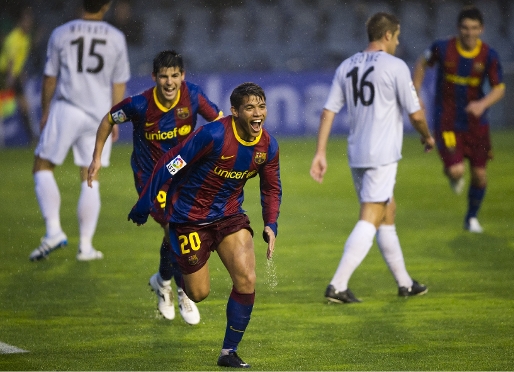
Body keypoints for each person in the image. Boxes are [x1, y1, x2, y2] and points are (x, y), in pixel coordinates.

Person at [128, 82, 281, 368]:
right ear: (234, 112)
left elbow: (271, 188)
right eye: (250, 107)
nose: (258, 113)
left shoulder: (267, 146)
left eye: (261, 106)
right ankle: (167, 263)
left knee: (247, 280)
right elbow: (171, 162)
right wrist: (146, 201)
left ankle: (228, 352)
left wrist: (271, 223)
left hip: (229, 216)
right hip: (189, 219)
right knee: (198, 294)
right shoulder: (213, 135)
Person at [87, 50, 223, 325]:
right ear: (154, 77)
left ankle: (162, 280)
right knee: (174, 228)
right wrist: (97, 158)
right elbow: (108, 119)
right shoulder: (140, 104)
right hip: (152, 179)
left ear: (183, 76)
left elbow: (219, 122)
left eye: (175, 76)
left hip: (185, 176)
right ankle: (184, 290)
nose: (170, 82)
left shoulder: (193, 96)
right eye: (164, 76)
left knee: (180, 231)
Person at [310, 12, 435, 303]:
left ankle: (404, 283)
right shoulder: (395, 66)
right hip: (382, 154)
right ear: (388, 35)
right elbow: (415, 114)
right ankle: (338, 286)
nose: (398, 42)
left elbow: (328, 111)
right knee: (371, 215)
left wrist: (320, 152)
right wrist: (427, 136)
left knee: (386, 211)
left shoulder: (346, 65)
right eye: (398, 36)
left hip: (357, 153)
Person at [29, 0, 130, 262]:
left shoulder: (62, 33)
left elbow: (50, 77)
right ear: (106, 6)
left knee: (42, 165)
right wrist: (114, 120)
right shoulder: (116, 38)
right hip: (99, 116)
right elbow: (118, 83)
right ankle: (85, 246)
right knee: (91, 175)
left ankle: (53, 230)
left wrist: (45, 110)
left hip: (68, 107)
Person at [413, 5, 505, 234]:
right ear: (458, 28)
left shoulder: (488, 55)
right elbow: (422, 63)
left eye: (474, 28)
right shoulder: (443, 48)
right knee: (456, 171)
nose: (469, 32)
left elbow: (499, 88)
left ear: (481, 29)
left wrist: (482, 104)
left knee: (480, 175)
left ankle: (471, 218)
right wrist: (415, 92)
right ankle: (453, 173)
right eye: (465, 27)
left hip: (477, 126)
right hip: (448, 123)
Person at [0, 6, 37, 144]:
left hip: (13, 75)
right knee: (4, 108)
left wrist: (20, 73)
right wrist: (10, 77)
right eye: (26, 20)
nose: (29, 23)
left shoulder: (25, 38)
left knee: (24, 106)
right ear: (20, 22)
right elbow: (10, 60)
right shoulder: (13, 38)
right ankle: (3, 141)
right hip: (4, 75)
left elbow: (19, 59)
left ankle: (32, 137)